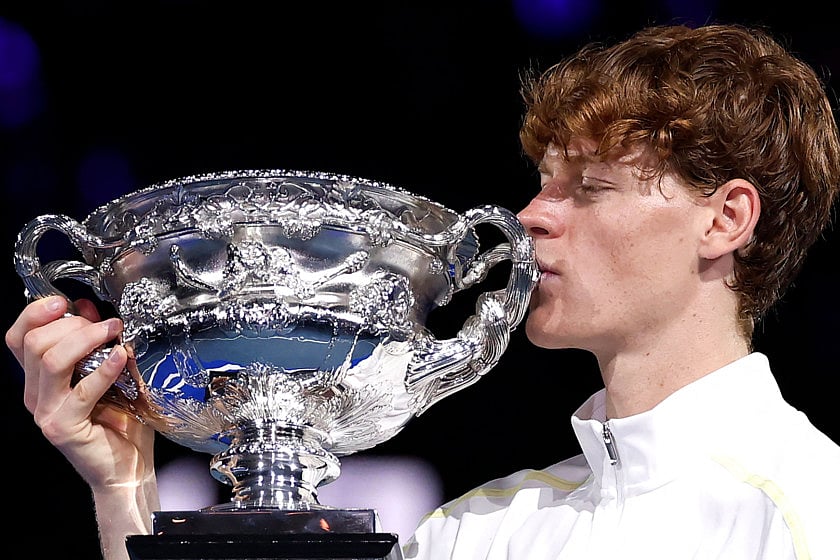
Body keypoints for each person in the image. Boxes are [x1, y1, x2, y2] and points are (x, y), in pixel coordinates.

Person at [6, 21, 840, 560]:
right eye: (540, 183)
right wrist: (124, 489)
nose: (531, 218)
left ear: (725, 220)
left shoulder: (812, 509)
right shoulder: (472, 533)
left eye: (589, 187)